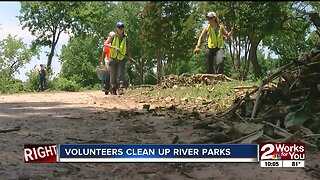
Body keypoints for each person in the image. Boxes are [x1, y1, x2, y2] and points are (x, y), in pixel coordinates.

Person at [104, 22, 132, 95]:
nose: (121, 29)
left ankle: (121, 89)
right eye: (119, 27)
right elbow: (105, 44)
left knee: (121, 74)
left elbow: (127, 48)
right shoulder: (112, 36)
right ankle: (113, 89)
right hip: (113, 57)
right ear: (116, 28)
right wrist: (114, 47)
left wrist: (129, 57)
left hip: (121, 58)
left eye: (122, 27)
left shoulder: (126, 37)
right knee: (113, 75)